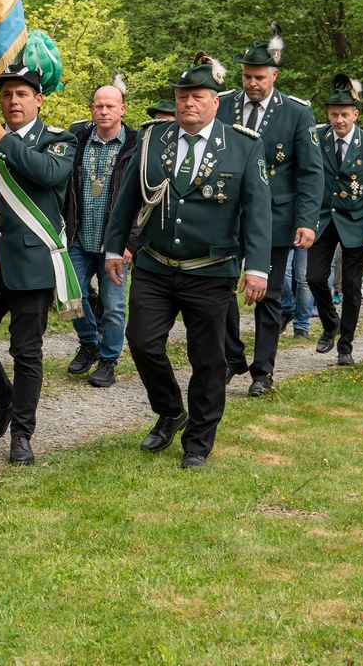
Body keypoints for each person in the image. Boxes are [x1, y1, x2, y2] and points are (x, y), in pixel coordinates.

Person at [106, 54, 271, 468]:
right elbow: (127, 196)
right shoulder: (151, 140)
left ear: (216, 101)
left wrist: (257, 267)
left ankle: (198, 440)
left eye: (197, 97)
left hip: (211, 271)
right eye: (182, 97)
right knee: (142, 341)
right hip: (156, 265)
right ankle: (169, 410)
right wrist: (114, 247)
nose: (187, 104)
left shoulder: (243, 146)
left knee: (209, 359)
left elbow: (258, 211)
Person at [0, 35, 78, 465]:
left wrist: (3, 141)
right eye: (5, 95)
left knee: (27, 352)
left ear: (39, 99)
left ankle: (22, 434)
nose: (12, 101)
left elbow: (47, 174)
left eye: (21, 94)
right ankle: (3, 401)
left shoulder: (60, 140)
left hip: (31, 263)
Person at [221, 29, 323, 396]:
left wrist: (307, 221)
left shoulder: (296, 113)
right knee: (218, 288)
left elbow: (311, 171)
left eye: (259, 77)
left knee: (270, 294)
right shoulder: (222, 105)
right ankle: (232, 356)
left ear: (274, 75)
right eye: (247, 76)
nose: (252, 84)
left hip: (277, 218)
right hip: (226, 217)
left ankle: (262, 372)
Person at [61, 81, 138, 387]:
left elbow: (144, 198)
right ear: (91, 109)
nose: (104, 111)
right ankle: (90, 342)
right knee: (70, 298)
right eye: (98, 106)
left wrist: (130, 242)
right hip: (79, 238)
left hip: (115, 245)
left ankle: (108, 360)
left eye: (110, 106)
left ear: (122, 109)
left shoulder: (137, 145)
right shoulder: (75, 141)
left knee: (115, 305)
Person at [308, 76, 363, 365]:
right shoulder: (317, 138)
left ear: (355, 114)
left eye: (344, 114)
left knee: (352, 286)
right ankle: (331, 323)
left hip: (355, 222)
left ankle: (346, 345)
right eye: (333, 114)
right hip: (323, 218)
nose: (339, 120)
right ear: (327, 114)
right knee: (314, 277)